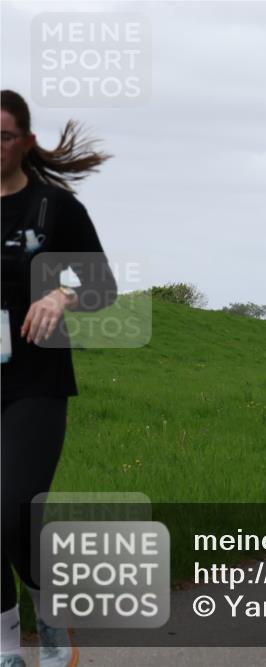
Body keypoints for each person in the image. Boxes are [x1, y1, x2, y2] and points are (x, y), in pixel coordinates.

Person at [1, 89, 117, 667]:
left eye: (2, 136)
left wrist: (63, 292)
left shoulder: (54, 208)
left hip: (35, 383)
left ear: (24, 140)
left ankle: (48, 624)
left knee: (15, 508)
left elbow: (103, 288)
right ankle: (5, 648)